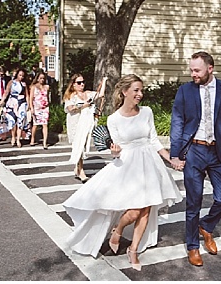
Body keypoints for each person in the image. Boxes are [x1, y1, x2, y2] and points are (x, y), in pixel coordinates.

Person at [62, 74, 183, 271]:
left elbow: (153, 140)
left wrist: (170, 159)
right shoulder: (113, 119)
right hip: (128, 166)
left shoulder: (147, 112)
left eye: (141, 90)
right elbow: (117, 150)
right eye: (136, 90)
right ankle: (118, 230)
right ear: (124, 92)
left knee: (147, 208)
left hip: (150, 164)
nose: (140, 94)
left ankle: (133, 250)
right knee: (135, 210)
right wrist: (114, 152)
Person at [169, 51, 221, 267]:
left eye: (197, 70)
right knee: (194, 202)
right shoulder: (185, 91)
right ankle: (193, 247)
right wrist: (175, 154)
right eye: (191, 70)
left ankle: (206, 226)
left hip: (218, 152)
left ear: (210, 68)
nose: (192, 74)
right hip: (194, 151)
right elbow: (177, 123)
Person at [63, 74, 106, 182]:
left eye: (83, 82)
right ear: (73, 84)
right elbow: (70, 108)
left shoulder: (87, 93)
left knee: (82, 144)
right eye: (79, 82)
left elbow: (100, 95)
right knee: (79, 146)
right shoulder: (71, 96)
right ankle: (81, 171)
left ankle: (77, 168)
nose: (82, 84)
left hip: (85, 123)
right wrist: (83, 106)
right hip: (75, 123)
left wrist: (104, 81)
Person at [2, 68, 30, 148]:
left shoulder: (24, 84)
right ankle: (13, 137)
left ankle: (18, 139)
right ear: (17, 75)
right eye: (20, 75)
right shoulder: (11, 82)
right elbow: (6, 92)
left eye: (23, 76)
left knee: (20, 122)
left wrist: (28, 105)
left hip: (21, 103)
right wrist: (2, 101)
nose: (21, 77)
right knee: (12, 121)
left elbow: (27, 95)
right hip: (12, 103)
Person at [29, 72, 50, 149]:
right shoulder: (33, 87)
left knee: (45, 124)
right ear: (37, 78)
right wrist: (31, 108)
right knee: (35, 124)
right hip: (36, 108)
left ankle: (45, 142)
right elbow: (31, 99)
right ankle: (32, 139)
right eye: (40, 78)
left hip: (45, 108)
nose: (42, 80)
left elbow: (47, 97)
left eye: (43, 78)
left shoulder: (46, 87)